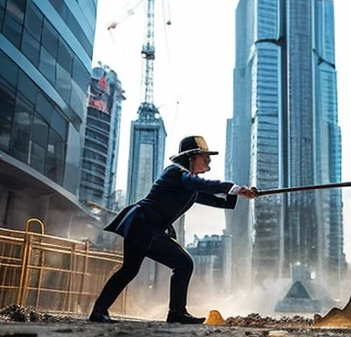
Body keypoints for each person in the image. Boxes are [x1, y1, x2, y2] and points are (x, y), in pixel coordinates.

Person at [89, 136, 256, 324]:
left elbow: (215, 199)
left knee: (128, 271)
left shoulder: (188, 184)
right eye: (204, 158)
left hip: (141, 227)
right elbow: (201, 185)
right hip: (143, 225)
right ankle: (176, 312)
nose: (208, 162)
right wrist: (234, 187)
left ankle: (99, 312)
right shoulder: (176, 173)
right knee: (183, 263)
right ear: (190, 157)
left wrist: (241, 194)